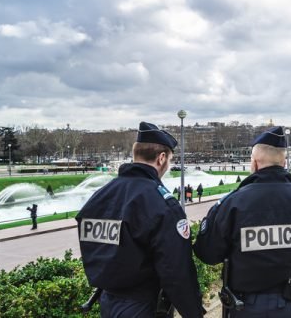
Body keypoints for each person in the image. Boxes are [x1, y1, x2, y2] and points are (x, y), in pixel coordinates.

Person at [194, 126, 291, 318]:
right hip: (288, 306)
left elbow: (208, 254)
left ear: (253, 163)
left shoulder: (232, 203)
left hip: (243, 307)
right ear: (284, 162)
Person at [76, 122, 203, 317]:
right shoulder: (162, 204)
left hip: (108, 302)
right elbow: (176, 271)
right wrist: (193, 312)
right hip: (143, 305)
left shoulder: (99, 197)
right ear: (161, 158)